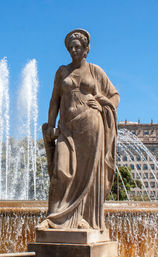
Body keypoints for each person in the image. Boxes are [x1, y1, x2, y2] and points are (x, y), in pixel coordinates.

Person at [38, 29, 120, 231]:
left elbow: (115, 96)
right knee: (61, 170)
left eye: (78, 47)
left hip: (91, 125)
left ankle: (85, 220)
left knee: (87, 174)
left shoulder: (95, 71)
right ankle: (54, 218)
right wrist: (50, 125)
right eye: (71, 47)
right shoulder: (62, 72)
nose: (74, 50)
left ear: (86, 49)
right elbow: (54, 100)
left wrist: (102, 105)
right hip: (67, 127)